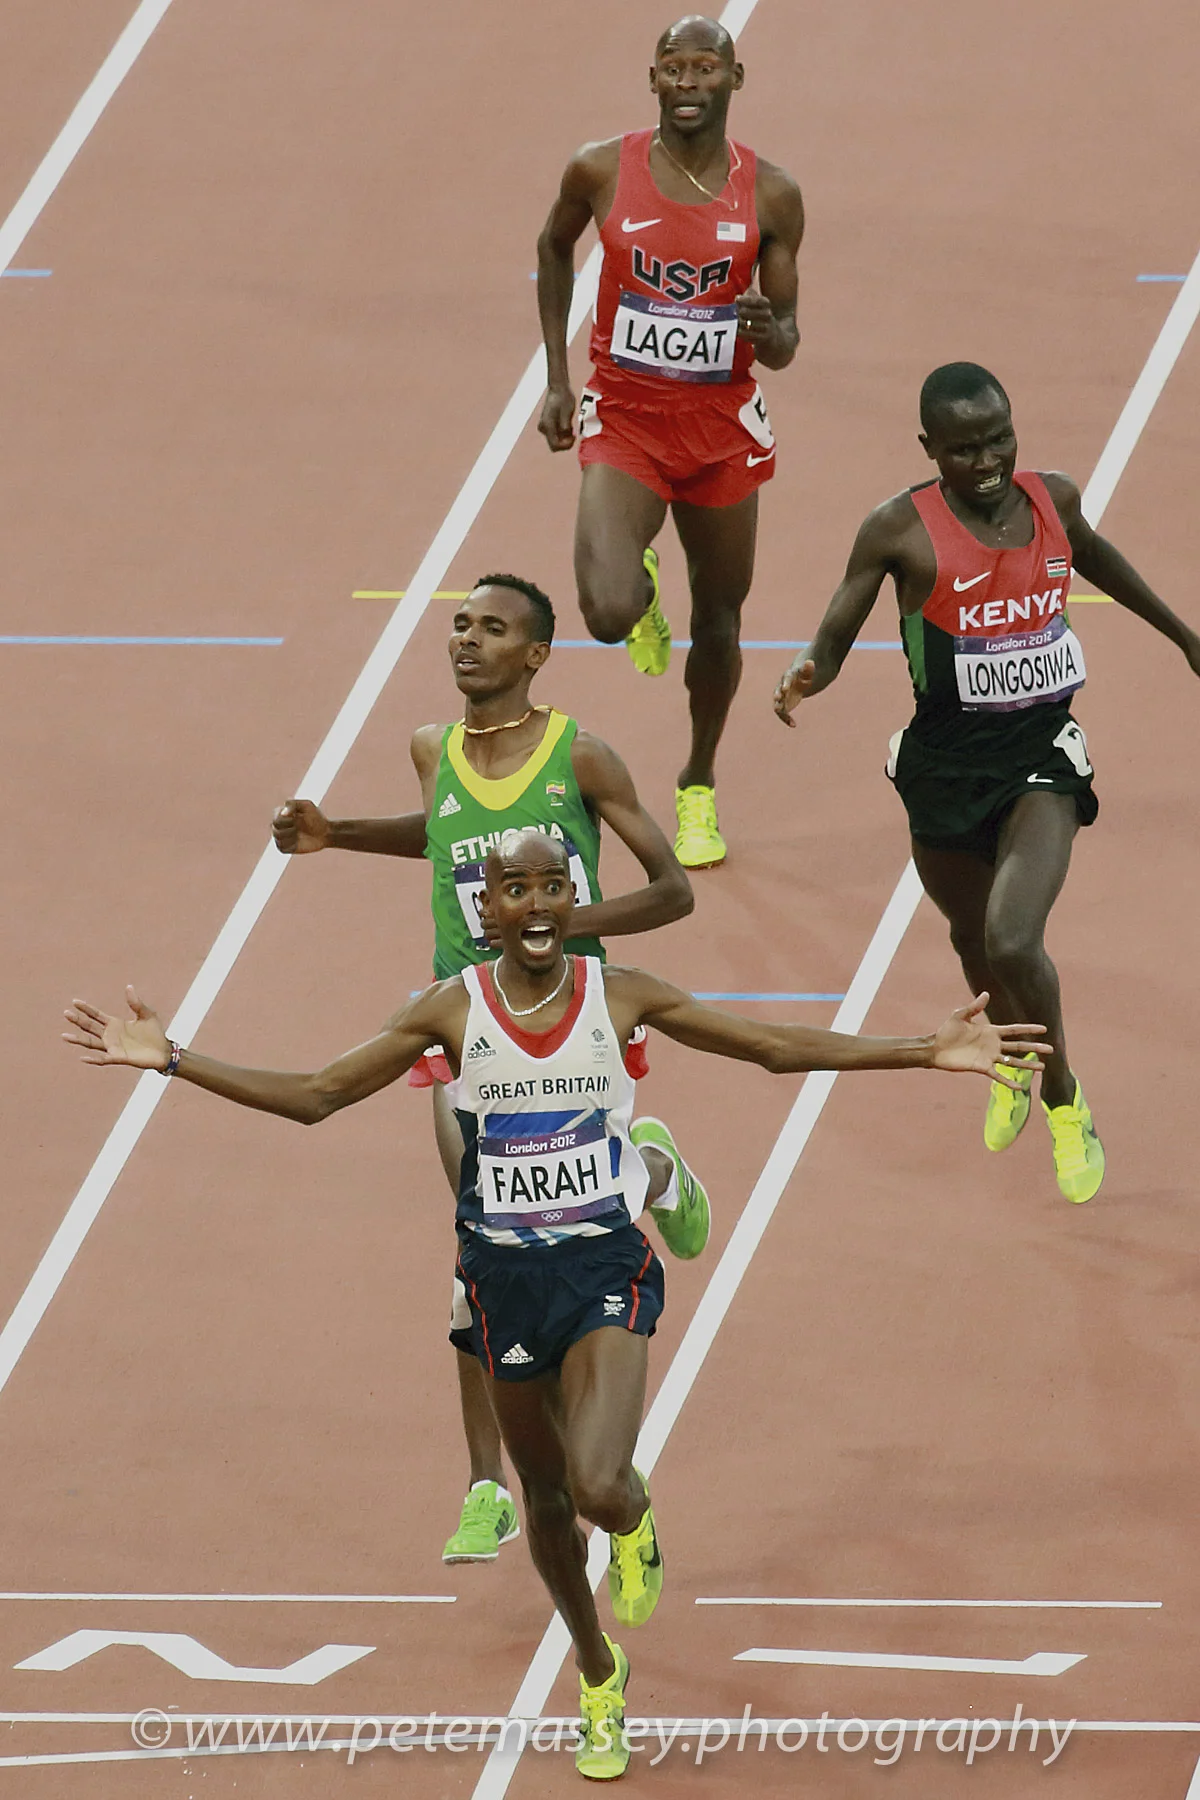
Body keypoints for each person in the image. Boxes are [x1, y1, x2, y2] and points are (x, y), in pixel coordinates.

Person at [64, 827, 1045, 1782]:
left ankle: (634, 1517)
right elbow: (319, 1093)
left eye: (552, 886)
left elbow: (771, 1048)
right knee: (542, 1502)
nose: (536, 905)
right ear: (483, 909)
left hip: (603, 1268)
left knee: (598, 1485)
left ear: (572, 899)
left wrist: (924, 1049)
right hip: (502, 1285)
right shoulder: (452, 1011)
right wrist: (174, 1058)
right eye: (515, 890)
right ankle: (597, 1669)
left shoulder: (619, 997)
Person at [271, 573, 697, 1568]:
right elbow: (443, 840)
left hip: (570, 1025)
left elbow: (672, 890)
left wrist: (553, 922)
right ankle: (486, 1488)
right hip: (465, 1030)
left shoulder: (579, 755)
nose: (466, 639)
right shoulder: (432, 749)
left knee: (550, 1234)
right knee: (482, 1250)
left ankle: (658, 1176)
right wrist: (338, 836)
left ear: (535, 654)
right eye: (460, 623)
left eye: (491, 628)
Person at [773, 361, 1200, 1204]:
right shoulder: (898, 528)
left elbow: (1099, 559)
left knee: (1011, 937)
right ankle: (1010, 1061)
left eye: (1000, 437)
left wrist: (1184, 635)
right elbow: (839, 620)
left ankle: (1064, 1098)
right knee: (974, 945)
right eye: (965, 448)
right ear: (929, 448)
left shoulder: (1055, 500)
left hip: (1040, 755)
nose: (989, 460)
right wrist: (807, 673)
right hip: (942, 767)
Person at [536, 13, 804, 870]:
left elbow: (788, 343)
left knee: (721, 617)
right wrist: (555, 377)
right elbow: (550, 248)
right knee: (608, 614)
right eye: (674, 69)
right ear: (653, 79)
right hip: (626, 413)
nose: (689, 83)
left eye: (706, 68)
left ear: (736, 78)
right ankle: (639, 583)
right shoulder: (599, 168)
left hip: (720, 426)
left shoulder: (771, 196)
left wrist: (771, 327)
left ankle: (698, 783)